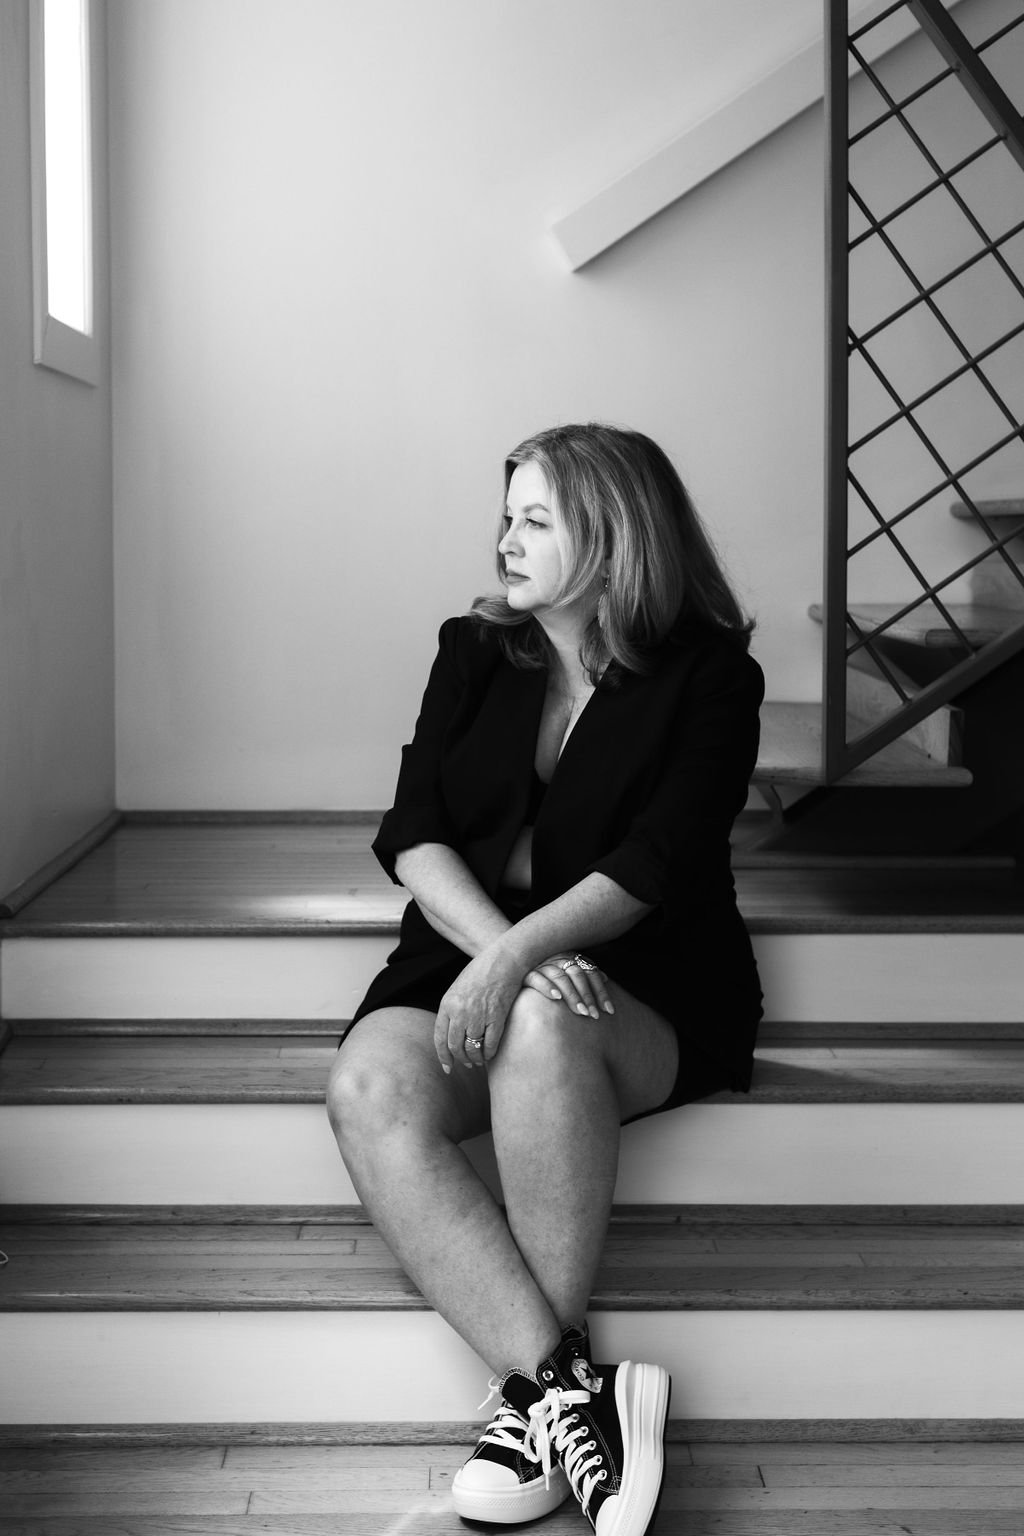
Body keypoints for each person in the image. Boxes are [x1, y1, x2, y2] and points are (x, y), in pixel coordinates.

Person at [326, 422, 764, 1535]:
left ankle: (529, 1417)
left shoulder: (712, 677)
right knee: (369, 1090)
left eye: (534, 519)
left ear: (612, 539)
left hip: (646, 974)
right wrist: (493, 951)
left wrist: (520, 962)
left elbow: (655, 861)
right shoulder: (473, 649)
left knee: (534, 1018)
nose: (504, 541)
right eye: (505, 515)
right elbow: (412, 833)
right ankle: (565, 1392)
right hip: (464, 943)